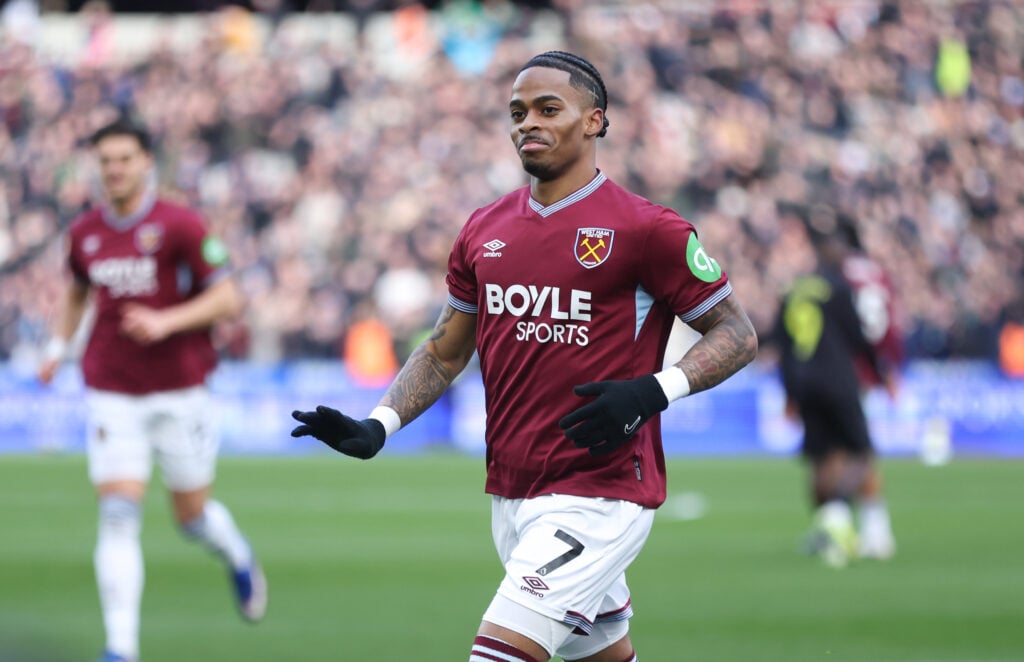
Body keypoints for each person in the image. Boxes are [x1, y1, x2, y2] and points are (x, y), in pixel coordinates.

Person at [291, 51, 758, 662]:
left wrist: (653, 390)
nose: (527, 123)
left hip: (600, 492)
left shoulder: (648, 229)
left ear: (594, 121)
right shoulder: (484, 230)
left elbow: (737, 333)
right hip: (513, 491)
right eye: (517, 112)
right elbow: (443, 352)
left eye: (547, 108)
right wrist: (378, 424)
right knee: (600, 655)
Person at [37, 119, 267, 662]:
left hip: (179, 389)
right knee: (118, 514)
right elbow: (76, 291)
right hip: (111, 389)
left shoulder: (181, 225)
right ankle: (121, 648)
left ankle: (235, 553)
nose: (114, 169)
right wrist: (55, 347)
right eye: (105, 160)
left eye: (124, 158)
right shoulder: (86, 232)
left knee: (192, 518)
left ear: (146, 163)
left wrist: (167, 323)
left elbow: (230, 299)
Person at [772, 208, 896, 567]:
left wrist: (790, 393)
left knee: (822, 457)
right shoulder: (838, 287)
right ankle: (839, 519)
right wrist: (880, 371)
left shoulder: (793, 287)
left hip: (804, 383)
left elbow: (781, 345)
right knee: (860, 453)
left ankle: (826, 531)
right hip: (839, 380)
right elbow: (858, 338)